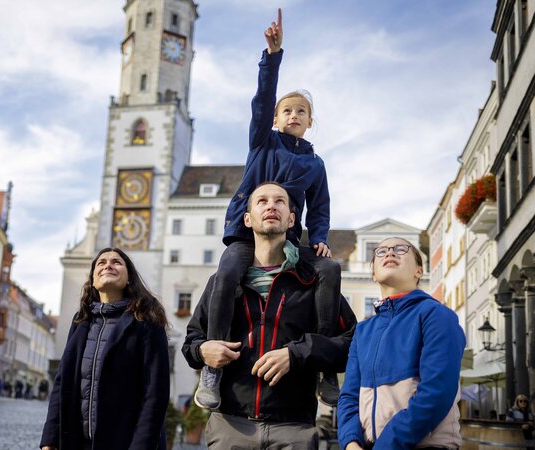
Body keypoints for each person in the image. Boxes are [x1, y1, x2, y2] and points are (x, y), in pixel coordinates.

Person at [196, 7, 343, 410]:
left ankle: (325, 369)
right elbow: (261, 101)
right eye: (287, 110)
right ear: (276, 120)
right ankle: (214, 368)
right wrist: (272, 57)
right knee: (227, 272)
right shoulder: (264, 143)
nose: (293, 115)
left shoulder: (316, 164)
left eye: (301, 111)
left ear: (310, 122)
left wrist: (323, 240)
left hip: (290, 241)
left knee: (329, 270)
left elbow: (321, 208)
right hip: (248, 235)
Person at [183, 182, 356, 449]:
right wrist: (203, 351)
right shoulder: (221, 282)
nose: (271, 205)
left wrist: (296, 354)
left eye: (280, 201)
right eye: (262, 201)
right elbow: (191, 342)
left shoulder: (314, 281)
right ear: (248, 219)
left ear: (291, 219)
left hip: (294, 427)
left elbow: (352, 344)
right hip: (230, 425)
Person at [338, 238, 465, 450]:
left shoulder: (437, 315)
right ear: (373, 274)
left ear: (419, 271)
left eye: (400, 249)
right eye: (381, 251)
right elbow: (349, 396)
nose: (390, 253)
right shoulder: (363, 331)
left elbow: (437, 391)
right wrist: (351, 443)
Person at [40, 248, 170, 450]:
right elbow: (62, 381)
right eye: (101, 263)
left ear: (129, 279)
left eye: (117, 262)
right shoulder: (81, 320)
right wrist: (50, 438)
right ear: (93, 280)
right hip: (77, 442)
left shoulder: (146, 321)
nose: (108, 265)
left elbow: (155, 392)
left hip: (125, 442)